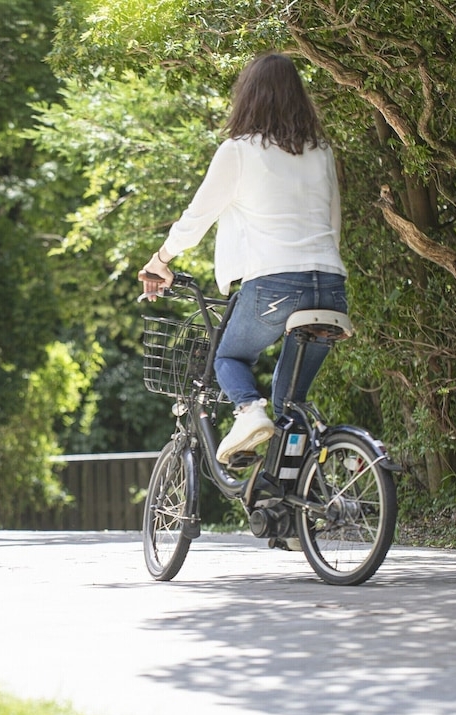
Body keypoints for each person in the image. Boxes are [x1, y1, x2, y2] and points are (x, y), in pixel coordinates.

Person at [140, 52, 348, 466]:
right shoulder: (321, 150)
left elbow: (197, 217)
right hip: (330, 286)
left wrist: (160, 259)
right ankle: (291, 510)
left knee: (229, 357)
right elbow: (333, 222)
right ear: (299, 98)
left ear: (248, 96)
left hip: (273, 284)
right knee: (291, 407)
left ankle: (249, 413)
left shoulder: (238, 151)